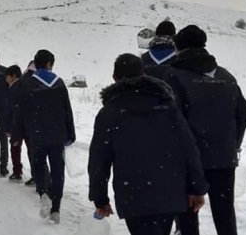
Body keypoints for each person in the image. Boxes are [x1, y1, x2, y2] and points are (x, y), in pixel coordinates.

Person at [88, 53, 208, 235]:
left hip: (133, 195)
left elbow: (99, 159)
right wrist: (197, 188)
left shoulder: (110, 113)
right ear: (143, 74)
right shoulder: (168, 106)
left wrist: (100, 198)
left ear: (114, 77)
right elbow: (188, 149)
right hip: (170, 191)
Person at [164, 25, 246, 235]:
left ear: (178, 48)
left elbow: (173, 120)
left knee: (188, 216)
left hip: (190, 160)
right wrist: (232, 144)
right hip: (224, 158)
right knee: (225, 214)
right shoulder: (226, 76)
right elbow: (243, 113)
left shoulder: (174, 75)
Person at [19, 49, 75, 224]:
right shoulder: (59, 83)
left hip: (37, 134)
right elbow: (67, 109)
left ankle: (43, 192)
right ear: (50, 63)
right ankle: (56, 208)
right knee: (58, 170)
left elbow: (22, 111)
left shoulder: (28, 83)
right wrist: (70, 133)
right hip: (58, 133)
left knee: (39, 164)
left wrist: (21, 131)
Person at [5, 65, 27, 182]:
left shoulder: (13, 89)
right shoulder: (24, 85)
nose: (6, 79)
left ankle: (17, 172)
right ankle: (36, 175)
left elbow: (10, 110)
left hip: (16, 124)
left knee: (15, 148)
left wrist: (8, 128)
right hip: (27, 123)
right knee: (30, 149)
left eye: (7, 76)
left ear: (13, 76)